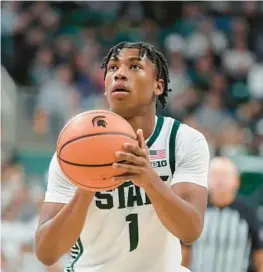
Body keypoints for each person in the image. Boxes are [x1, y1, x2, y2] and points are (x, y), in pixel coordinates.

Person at [35, 41, 210, 272]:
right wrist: (86, 187)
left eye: (135, 66)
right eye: (113, 68)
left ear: (158, 86)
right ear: (105, 87)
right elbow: (46, 253)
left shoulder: (183, 140)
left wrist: (149, 179)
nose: (120, 75)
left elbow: (190, 231)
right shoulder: (73, 150)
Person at [182, 157, 263, 272]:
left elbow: (259, 256)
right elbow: (184, 253)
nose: (220, 180)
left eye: (225, 175)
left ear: (237, 181)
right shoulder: (196, 212)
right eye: (215, 175)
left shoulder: (248, 214)